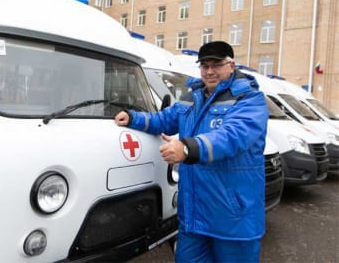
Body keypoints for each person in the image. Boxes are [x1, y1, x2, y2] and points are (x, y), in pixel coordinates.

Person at [115, 40, 269, 262]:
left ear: (231, 66)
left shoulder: (249, 100)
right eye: (204, 65)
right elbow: (165, 119)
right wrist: (133, 118)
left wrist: (187, 148)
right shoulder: (193, 97)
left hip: (232, 220)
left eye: (216, 65)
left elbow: (232, 136)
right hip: (194, 217)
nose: (209, 71)